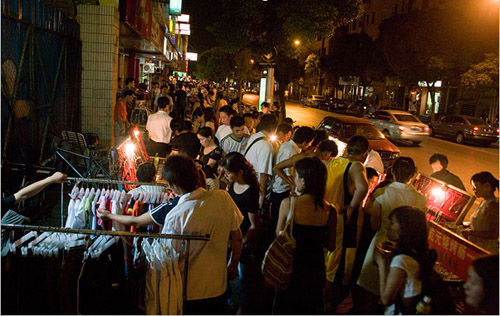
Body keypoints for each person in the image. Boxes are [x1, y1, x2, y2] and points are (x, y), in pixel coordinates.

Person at [161, 155, 244, 314]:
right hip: (218, 285)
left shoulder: (175, 216)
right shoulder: (223, 198)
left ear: (173, 185)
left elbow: (168, 259)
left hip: (189, 291)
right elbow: (237, 237)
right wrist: (233, 264)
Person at [356, 157, 427, 313]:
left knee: (370, 294)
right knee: (398, 296)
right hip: (407, 249)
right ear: (414, 174)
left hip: (381, 245)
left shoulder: (383, 193)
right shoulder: (421, 200)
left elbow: (374, 225)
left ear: (393, 172)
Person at [273, 157, 337, 314]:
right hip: (315, 271)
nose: (294, 180)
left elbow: (279, 236)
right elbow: (331, 245)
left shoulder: (288, 205)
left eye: (296, 176)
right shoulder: (330, 210)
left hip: (291, 268)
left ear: (303, 181)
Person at [323, 135, 369, 313]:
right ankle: (330, 303)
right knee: (340, 265)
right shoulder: (356, 166)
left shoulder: (333, 163)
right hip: (343, 221)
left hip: (328, 218)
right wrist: (351, 207)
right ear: (364, 153)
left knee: (329, 257)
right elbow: (363, 187)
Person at [374, 206, 436, 314]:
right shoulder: (416, 253)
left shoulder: (401, 260)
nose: (388, 227)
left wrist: (381, 263)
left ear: (405, 228)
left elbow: (386, 299)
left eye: (392, 223)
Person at [271, 126, 315, 227]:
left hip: (278, 188)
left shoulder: (287, 145)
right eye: (310, 142)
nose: (310, 145)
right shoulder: (292, 151)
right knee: (279, 221)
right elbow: (288, 173)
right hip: (281, 189)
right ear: (304, 142)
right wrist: (292, 184)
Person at [221, 152, 260, 237]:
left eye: (228, 173)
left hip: (241, 232)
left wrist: (242, 242)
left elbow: (253, 225)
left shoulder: (250, 192)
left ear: (240, 172)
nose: (225, 175)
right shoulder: (232, 183)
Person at [245, 114, 277, 209]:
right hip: (256, 190)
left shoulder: (254, 136)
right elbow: (263, 173)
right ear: (274, 128)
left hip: (248, 182)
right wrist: (262, 196)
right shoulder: (266, 146)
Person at [462, 172, 499, 253]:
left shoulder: (492, 206)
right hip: (477, 248)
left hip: (486, 251)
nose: (474, 190)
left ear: (487, 186)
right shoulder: (483, 202)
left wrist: (471, 233)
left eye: (475, 187)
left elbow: (494, 233)